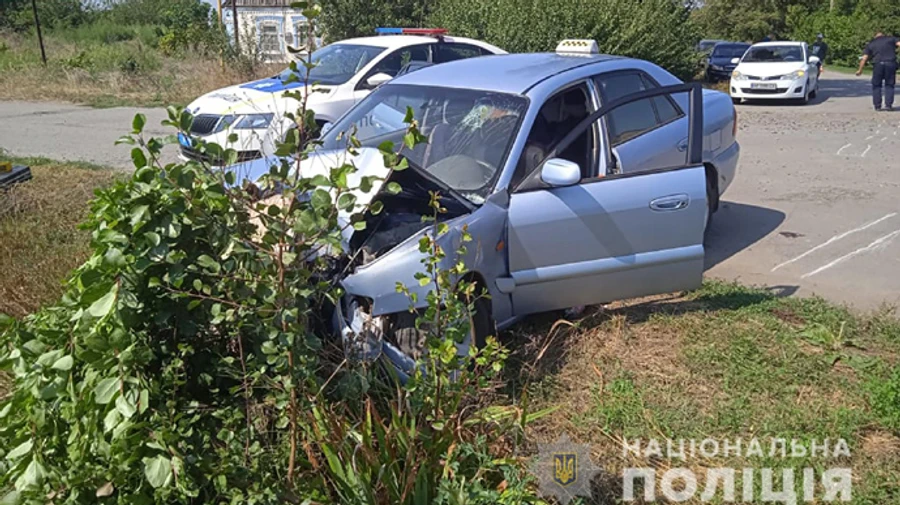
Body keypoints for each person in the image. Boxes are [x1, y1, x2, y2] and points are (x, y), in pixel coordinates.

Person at [856, 31, 900, 111]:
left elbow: (864, 58)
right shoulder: (891, 39)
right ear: (883, 35)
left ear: (875, 36)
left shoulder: (871, 43)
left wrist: (860, 70)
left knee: (876, 85)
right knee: (889, 85)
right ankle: (888, 105)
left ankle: (877, 106)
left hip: (878, 64)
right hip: (890, 63)